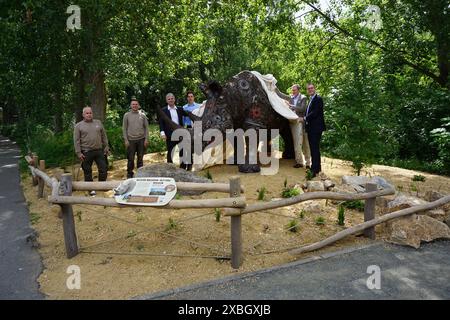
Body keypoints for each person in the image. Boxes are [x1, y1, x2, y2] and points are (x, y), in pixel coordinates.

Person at [73, 106, 109, 196]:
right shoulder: (79, 126)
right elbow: (76, 140)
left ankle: (102, 185)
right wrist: (78, 152)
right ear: (83, 115)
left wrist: (106, 146)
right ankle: (91, 189)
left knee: (103, 168)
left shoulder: (98, 123)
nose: (89, 114)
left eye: (90, 113)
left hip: (99, 150)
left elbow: (104, 136)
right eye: (87, 113)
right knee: (87, 171)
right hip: (86, 152)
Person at [276, 84, 311, 168]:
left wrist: (291, 106)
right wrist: (274, 88)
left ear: (298, 90)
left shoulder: (303, 97)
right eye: (292, 90)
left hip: (303, 122)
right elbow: (281, 95)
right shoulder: (290, 97)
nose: (293, 91)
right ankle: (299, 162)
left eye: (294, 90)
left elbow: (302, 108)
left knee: (306, 144)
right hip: (294, 123)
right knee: (297, 143)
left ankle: (308, 163)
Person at [303, 83, 326, 177]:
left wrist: (304, 118)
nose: (310, 90)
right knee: (314, 148)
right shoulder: (311, 100)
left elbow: (315, 113)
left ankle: (314, 170)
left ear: (315, 89)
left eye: (312, 88)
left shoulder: (318, 99)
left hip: (316, 128)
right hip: (311, 128)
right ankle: (318, 167)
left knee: (314, 149)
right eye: (308, 89)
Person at [122, 98, 149, 178]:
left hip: (141, 139)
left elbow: (146, 128)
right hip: (131, 140)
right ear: (130, 106)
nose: (135, 106)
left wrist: (146, 139)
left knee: (140, 157)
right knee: (130, 158)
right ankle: (130, 173)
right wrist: (126, 140)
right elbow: (124, 128)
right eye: (133, 104)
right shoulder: (126, 115)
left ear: (138, 105)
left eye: (136, 104)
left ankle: (140, 173)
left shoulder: (142, 115)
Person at [159, 93, 185, 165]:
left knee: (182, 150)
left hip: (180, 133)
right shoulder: (163, 110)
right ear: (166, 101)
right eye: (169, 99)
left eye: (172, 98)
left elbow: (189, 113)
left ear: (174, 99)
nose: (171, 100)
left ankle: (183, 167)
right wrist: (162, 133)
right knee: (170, 151)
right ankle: (169, 167)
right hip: (170, 134)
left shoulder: (180, 109)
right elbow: (161, 123)